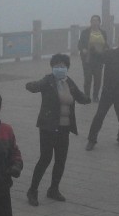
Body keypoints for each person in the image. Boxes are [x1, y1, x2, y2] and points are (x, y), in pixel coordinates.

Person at [24, 53, 90, 206]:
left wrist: (87, 99)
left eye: (63, 66)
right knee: (45, 159)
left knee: (60, 160)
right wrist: (31, 85)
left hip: (64, 128)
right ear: (52, 67)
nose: (60, 68)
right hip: (48, 127)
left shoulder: (69, 82)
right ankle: (32, 190)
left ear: (67, 68)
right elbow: (36, 86)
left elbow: (79, 97)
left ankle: (53, 189)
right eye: (57, 66)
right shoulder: (48, 80)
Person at [85, 34, 119, 150]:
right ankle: (91, 140)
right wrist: (93, 50)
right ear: (118, 42)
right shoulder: (109, 54)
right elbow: (99, 57)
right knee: (99, 116)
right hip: (108, 91)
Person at [77, 15, 109, 102]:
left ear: (99, 22)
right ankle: (86, 96)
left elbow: (106, 44)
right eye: (93, 21)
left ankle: (95, 96)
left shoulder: (103, 33)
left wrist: (106, 49)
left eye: (97, 20)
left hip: (99, 59)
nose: (95, 22)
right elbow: (80, 44)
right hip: (88, 59)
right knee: (87, 78)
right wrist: (83, 49)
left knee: (98, 79)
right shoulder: (85, 32)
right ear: (90, 22)